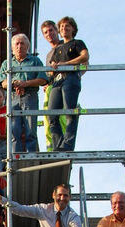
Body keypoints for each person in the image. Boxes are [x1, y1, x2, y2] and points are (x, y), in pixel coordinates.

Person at [0, 34, 48, 152]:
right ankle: (15, 156)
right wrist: (14, 83)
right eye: (17, 44)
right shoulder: (7, 63)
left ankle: (31, 156)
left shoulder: (35, 61)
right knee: (14, 130)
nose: (19, 46)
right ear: (12, 48)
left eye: (22, 43)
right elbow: (2, 83)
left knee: (31, 130)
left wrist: (25, 84)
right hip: (13, 97)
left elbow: (43, 79)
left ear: (27, 46)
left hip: (30, 96)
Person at [48, 16, 89, 151]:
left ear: (73, 29)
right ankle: (58, 144)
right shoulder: (58, 48)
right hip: (57, 81)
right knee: (52, 114)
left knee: (69, 111)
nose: (64, 29)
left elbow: (85, 56)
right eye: (61, 27)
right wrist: (52, 68)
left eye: (67, 26)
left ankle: (67, 145)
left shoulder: (77, 43)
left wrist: (66, 64)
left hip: (71, 78)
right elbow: (51, 68)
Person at [40, 20, 67, 152]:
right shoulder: (49, 54)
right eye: (45, 32)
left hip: (64, 85)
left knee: (61, 118)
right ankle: (52, 149)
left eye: (51, 30)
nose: (49, 34)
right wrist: (46, 84)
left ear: (57, 31)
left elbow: (84, 62)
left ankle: (62, 147)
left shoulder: (66, 45)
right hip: (52, 88)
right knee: (49, 118)